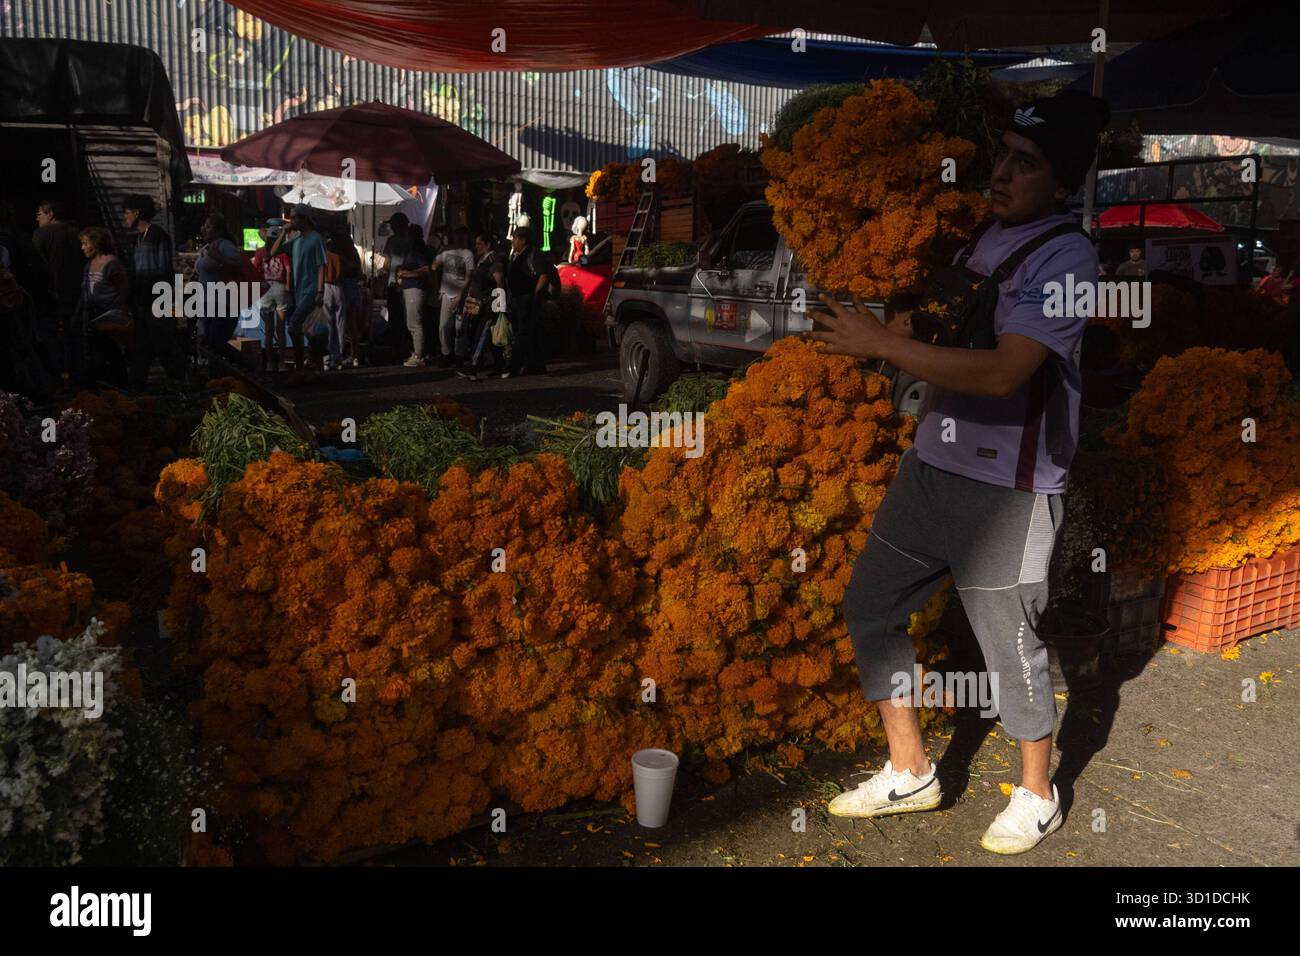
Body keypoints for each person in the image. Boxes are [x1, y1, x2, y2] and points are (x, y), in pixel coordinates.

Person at [807, 90, 1111, 856]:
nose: (1001, 173)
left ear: (1062, 181)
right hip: (932, 468)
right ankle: (911, 770)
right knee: (870, 606)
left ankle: (1038, 792)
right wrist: (862, 323)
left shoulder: (1069, 257)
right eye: (1001, 154)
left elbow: (1010, 370)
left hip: (1007, 489)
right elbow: (941, 324)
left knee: (1012, 647)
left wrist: (887, 345)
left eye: (1025, 163)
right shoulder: (986, 237)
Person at [122, 194, 188, 390]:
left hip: (156, 303)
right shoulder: (139, 239)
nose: (124, 218)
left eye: (126, 213)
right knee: (143, 348)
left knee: (163, 345)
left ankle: (182, 383)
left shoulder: (156, 235)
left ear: (137, 213)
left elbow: (162, 271)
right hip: (142, 304)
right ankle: (137, 386)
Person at [72, 226, 132, 389]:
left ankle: (121, 387)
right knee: (95, 353)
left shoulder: (111, 263)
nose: (82, 247)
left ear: (96, 243)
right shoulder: (89, 265)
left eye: (85, 243)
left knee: (111, 352)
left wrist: (114, 312)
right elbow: (85, 293)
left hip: (107, 317)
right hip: (92, 316)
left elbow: (122, 290)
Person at [269, 209, 328, 374]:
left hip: (311, 290)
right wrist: (283, 233)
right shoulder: (296, 240)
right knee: (309, 331)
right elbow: (273, 252)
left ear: (304, 219)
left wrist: (319, 291)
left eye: (294, 218)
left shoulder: (315, 239)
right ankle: (317, 368)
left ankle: (301, 368)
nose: (291, 221)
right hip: (299, 291)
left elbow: (321, 265)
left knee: (294, 327)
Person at [31, 199, 84, 380]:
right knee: (76, 335)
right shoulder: (77, 233)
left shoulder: (41, 234)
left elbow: (37, 265)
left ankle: (63, 375)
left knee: (55, 337)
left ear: (50, 214)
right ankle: (80, 374)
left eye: (39, 213)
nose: (37, 217)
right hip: (78, 292)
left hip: (54, 293)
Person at [194, 213, 250, 370]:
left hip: (223, 301)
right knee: (207, 342)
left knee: (216, 342)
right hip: (208, 301)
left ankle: (246, 366)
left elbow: (238, 265)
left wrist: (218, 258)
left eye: (208, 227)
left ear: (218, 231)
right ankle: (217, 374)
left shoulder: (224, 246)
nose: (204, 230)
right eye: (204, 226)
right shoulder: (207, 247)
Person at [455, 231, 509, 381]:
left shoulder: (493, 259)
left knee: (482, 334)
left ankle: (473, 367)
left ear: (488, 245)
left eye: (479, 243)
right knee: (490, 336)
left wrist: (499, 303)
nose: (476, 246)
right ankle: (500, 365)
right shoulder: (482, 260)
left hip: (490, 303)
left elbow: (499, 281)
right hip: (481, 303)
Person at [505, 226, 555, 377]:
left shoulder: (533, 254)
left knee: (522, 333)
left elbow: (543, 275)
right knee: (531, 333)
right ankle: (536, 364)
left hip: (527, 299)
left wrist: (535, 295)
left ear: (523, 240)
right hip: (519, 299)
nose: (512, 241)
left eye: (515, 238)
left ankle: (514, 366)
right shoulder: (517, 255)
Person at [432, 226, 475, 367]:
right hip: (446, 292)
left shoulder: (468, 254)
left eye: (462, 237)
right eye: (457, 236)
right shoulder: (446, 250)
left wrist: (461, 296)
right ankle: (446, 353)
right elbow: (434, 266)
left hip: (461, 294)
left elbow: (469, 277)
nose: (459, 239)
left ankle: (459, 355)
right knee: (444, 326)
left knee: (460, 327)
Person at [253, 220, 293, 372]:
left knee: (268, 330)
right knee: (281, 329)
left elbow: (255, 270)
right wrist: (288, 287)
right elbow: (288, 270)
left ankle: (270, 363)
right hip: (281, 289)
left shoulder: (260, 252)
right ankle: (282, 362)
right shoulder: (283, 253)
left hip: (265, 290)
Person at [394, 223, 434, 367]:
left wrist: (407, 274)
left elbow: (426, 269)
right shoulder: (413, 250)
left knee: (414, 323)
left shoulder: (417, 251)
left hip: (415, 288)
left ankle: (418, 355)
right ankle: (418, 352)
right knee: (413, 322)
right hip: (411, 288)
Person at [326, 224, 365, 369]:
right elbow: (358, 271)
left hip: (343, 287)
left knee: (338, 323)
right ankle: (354, 355)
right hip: (353, 287)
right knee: (351, 324)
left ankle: (339, 354)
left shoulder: (338, 254)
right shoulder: (353, 252)